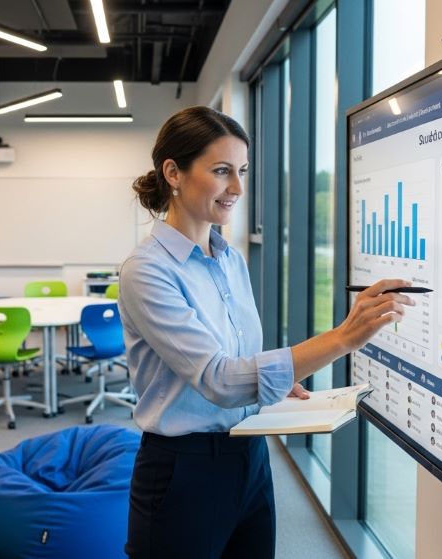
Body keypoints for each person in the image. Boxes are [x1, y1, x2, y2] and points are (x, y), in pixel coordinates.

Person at [119, 106, 415, 559]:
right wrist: (342, 338)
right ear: (173, 172)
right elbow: (219, 379)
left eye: (241, 171)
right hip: (184, 471)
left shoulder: (231, 260)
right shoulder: (147, 272)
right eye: (221, 172)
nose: (237, 188)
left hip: (251, 454)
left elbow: (238, 358)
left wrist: (274, 382)